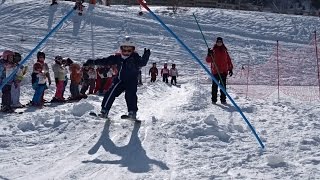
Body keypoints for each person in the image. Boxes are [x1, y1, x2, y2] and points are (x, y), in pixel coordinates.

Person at [87, 36, 150, 119]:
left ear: (133, 50)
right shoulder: (118, 57)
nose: (126, 52)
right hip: (120, 80)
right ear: (121, 49)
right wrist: (94, 62)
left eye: (129, 50)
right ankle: (104, 111)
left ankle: (132, 112)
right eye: (124, 49)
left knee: (130, 95)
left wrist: (146, 56)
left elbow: (142, 63)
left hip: (131, 81)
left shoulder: (135, 58)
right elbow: (106, 61)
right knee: (110, 93)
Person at [206, 37, 233, 104]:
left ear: (222, 42)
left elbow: (228, 60)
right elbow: (208, 60)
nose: (219, 43)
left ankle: (223, 100)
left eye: (220, 42)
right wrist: (209, 54)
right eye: (218, 42)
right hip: (215, 71)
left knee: (223, 87)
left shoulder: (225, 51)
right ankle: (214, 100)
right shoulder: (213, 50)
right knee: (215, 86)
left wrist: (230, 69)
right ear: (216, 42)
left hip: (223, 72)